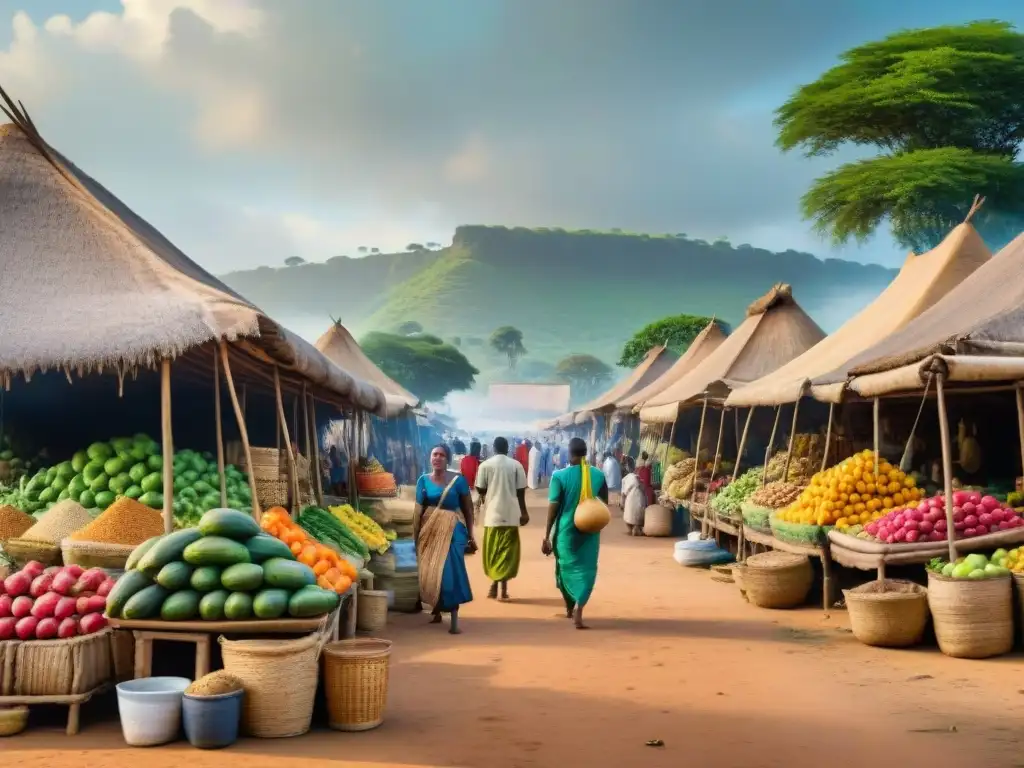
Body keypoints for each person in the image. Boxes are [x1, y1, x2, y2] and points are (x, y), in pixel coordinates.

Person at [543, 437, 608, 629]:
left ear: (569, 454)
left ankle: (569, 608)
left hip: (566, 532)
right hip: (590, 531)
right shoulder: (597, 475)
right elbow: (603, 503)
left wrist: (546, 535)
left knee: (565, 568)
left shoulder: (559, 476)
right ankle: (579, 608)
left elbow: (553, 508)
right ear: (585, 454)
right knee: (586, 569)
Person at [415, 444, 476, 634]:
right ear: (430, 458)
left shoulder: (458, 480)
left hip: (453, 528)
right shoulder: (423, 481)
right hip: (429, 530)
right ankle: (437, 608)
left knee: (450, 569)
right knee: (432, 570)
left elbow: (468, 509)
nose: (438, 458)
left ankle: (454, 617)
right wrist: (415, 537)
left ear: (448, 459)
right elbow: (417, 512)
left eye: (442, 455)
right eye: (434, 454)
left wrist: (471, 535)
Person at [475, 436, 529, 601]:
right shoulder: (516, 465)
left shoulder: (485, 465)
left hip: (492, 514)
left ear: (494, 448)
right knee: (507, 553)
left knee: (493, 552)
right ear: (507, 449)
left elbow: (480, 488)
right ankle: (503, 588)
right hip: (511, 514)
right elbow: (521, 492)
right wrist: (524, 512)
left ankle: (494, 585)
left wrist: (486, 497)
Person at [621, 456, 646, 536]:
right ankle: (637, 527)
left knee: (628, 514)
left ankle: (631, 529)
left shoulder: (625, 479)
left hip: (630, 500)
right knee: (639, 512)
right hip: (640, 498)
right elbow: (643, 488)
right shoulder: (637, 477)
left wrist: (622, 504)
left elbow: (623, 494)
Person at [460, 441, 483, 515]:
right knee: (476, 509)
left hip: (465, 488)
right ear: (479, 450)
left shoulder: (463, 460)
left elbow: (462, 473)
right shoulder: (479, 462)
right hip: (475, 489)